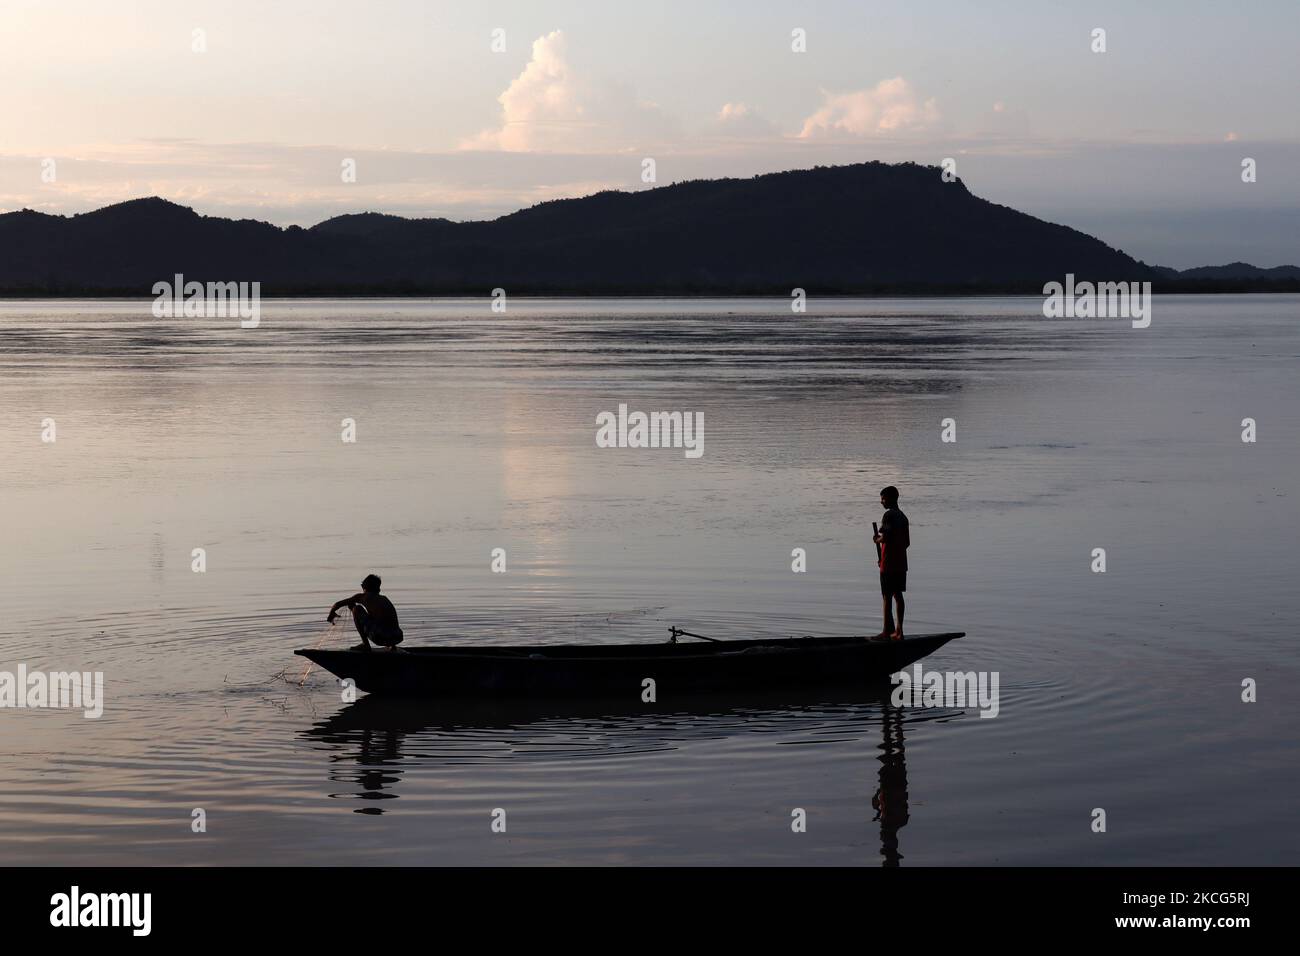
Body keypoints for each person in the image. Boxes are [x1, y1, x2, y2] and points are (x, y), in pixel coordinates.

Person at [328, 573, 404, 651]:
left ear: (364, 587)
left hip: (381, 637)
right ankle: (393, 647)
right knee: (381, 618)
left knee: (356, 609)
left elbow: (337, 604)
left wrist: (331, 614)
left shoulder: (363, 596)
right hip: (397, 637)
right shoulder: (384, 598)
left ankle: (365, 644)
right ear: (378, 589)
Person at [872, 486, 910, 641]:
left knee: (887, 596)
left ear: (891, 498)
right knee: (898, 595)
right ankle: (899, 632)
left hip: (888, 564)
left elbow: (885, 537)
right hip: (901, 563)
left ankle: (887, 631)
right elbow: (906, 542)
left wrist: (877, 539)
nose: (881, 501)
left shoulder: (888, 516)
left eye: (883, 498)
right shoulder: (903, 517)